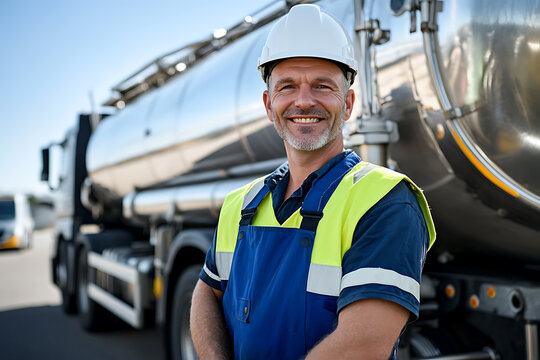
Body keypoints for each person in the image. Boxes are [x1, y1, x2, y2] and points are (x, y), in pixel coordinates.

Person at [190, 4, 436, 360]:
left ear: (348, 103)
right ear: (268, 103)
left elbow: (364, 346)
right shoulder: (240, 204)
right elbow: (206, 291)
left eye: (322, 86)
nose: (304, 101)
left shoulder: (385, 201)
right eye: (287, 86)